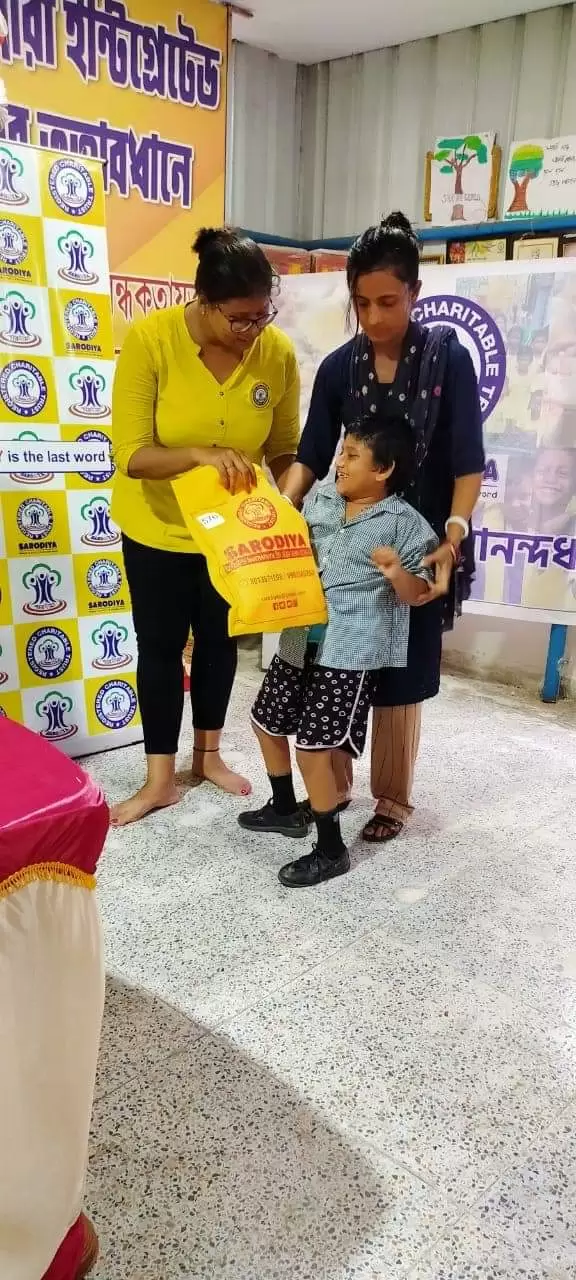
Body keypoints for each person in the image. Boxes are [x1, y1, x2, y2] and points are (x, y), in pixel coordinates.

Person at [281, 212, 485, 843]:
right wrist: (280, 511)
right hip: (348, 547)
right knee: (334, 664)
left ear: (414, 293)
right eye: (362, 303)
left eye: (388, 302)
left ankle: (393, 799)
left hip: (420, 545)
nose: (372, 317)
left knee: (403, 673)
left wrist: (452, 535)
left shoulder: (448, 361)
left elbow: (467, 463)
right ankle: (333, 788)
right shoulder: (340, 368)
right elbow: (312, 454)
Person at [110, 228, 300, 825]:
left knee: (221, 643)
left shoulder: (277, 353)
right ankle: (159, 779)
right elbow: (132, 455)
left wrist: (292, 510)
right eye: (239, 318)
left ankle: (208, 757)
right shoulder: (151, 341)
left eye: (262, 316)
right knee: (160, 647)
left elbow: (284, 448)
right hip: (158, 528)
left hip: (233, 536)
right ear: (204, 301)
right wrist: (199, 454)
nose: (252, 331)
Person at [239, 416, 437, 887]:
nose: (340, 463)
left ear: (383, 469)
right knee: (265, 721)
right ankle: (285, 809)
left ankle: (331, 850)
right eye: (341, 452)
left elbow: (421, 593)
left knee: (313, 749)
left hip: (349, 653)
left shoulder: (407, 526)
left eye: (352, 455)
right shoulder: (321, 501)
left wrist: (396, 573)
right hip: (298, 640)